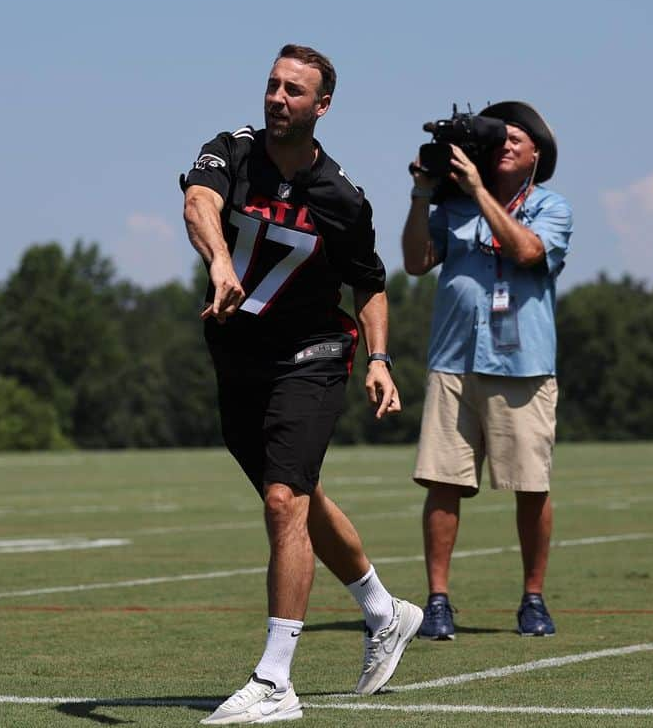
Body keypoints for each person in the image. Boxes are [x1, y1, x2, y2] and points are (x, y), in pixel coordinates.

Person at [182, 45, 422, 724]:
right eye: (272, 84)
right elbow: (198, 202)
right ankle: (384, 609)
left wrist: (380, 359)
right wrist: (221, 261)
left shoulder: (341, 198)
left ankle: (275, 679)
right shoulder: (232, 150)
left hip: (312, 352)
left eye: (294, 90)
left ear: (322, 106)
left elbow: (370, 282)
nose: (277, 97)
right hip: (238, 355)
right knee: (296, 494)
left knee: (285, 498)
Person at [402, 101, 572, 641]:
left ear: (536, 155)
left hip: (521, 367)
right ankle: (437, 600)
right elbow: (413, 260)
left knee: (531, 486)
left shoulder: (552, 206)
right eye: (498, 138)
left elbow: (526, 250)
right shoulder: (452, 204)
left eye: (515, 140)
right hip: (454, 359)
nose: (504, 145)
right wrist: (422, 193)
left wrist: (478, 192)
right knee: (442, 483)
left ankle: (533, 598)